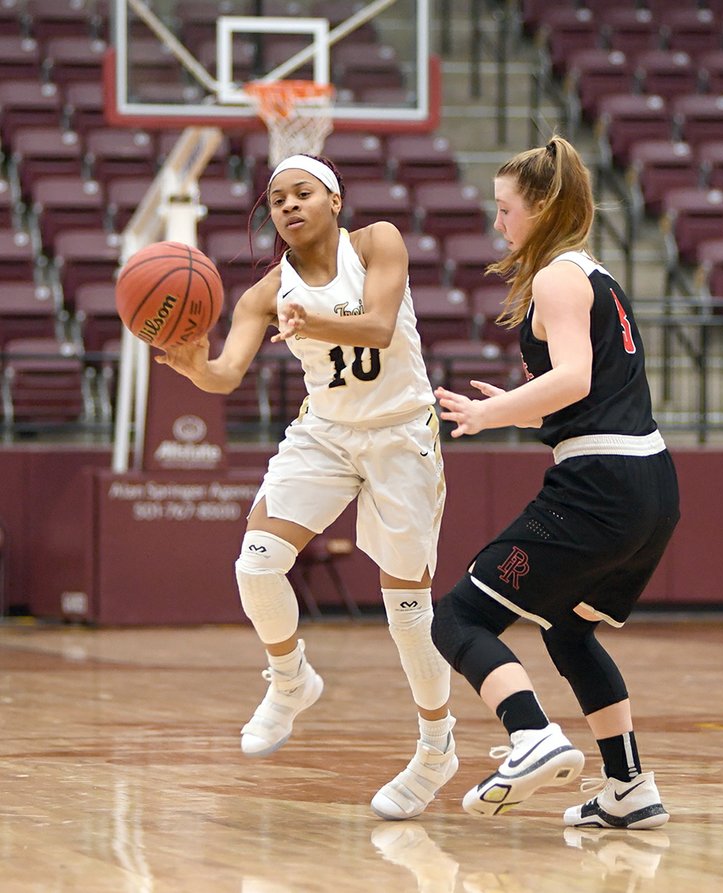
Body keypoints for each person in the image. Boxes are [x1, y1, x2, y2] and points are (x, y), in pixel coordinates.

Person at [155, 153, 457, 820]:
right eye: (278, 198)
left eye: (304, 192)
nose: (289, 205)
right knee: (256, 563)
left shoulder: (378, 242)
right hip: (325, 432)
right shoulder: (262, 293)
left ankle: (437, 747)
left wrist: (310, 323)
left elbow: (378, 325)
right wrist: (193, 365)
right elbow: (227, 374)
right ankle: (290, 678)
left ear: (335, 201)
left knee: (408, 613)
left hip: (402, 433)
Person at [430, 135, 680, 829]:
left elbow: (574, 378)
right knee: (569, 631)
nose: (498, 222)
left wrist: (487, 412)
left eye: (506, 209)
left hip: (600, 483)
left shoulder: (556, 278)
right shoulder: (595, 276)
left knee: (457, 617)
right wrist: (516, 398)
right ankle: (629, 786)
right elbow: (577, 386)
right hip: (651, 483)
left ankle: (531, 733)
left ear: (541, 207)